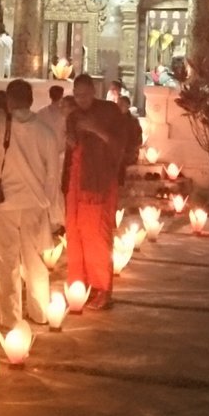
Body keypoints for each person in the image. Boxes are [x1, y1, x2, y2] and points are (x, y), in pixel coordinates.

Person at [0, 79, 61, 327]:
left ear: (9, 101)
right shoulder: (45, 132)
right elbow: (53, 173)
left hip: (5, 203)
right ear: (31, 100)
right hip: (35, 203)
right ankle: (40, 312)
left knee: (6, 261)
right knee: (35, 260)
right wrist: (47, 201)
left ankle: (10, 317)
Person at [64, 73, 126, 310]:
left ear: (94, 91)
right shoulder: (73, 115)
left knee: (96, 237)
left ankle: (102, 288)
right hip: (75, 181)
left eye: (85, 94)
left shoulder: (109, 111)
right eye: (77, 95)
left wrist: (96, 129)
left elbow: (121, 144)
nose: (81, 99)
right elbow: (71, 145)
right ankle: (81, 286)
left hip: (98, 182)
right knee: (75, 233)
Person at [117, 94, 143, 183]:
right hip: (116, 150)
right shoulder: (113, 119)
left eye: (121, 105)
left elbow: (138, 140)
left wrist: (128, 150)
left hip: (129, 152)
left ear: (127, 106)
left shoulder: (133, 122)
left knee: (121, 160)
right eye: (118, 104)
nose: (118, 107)